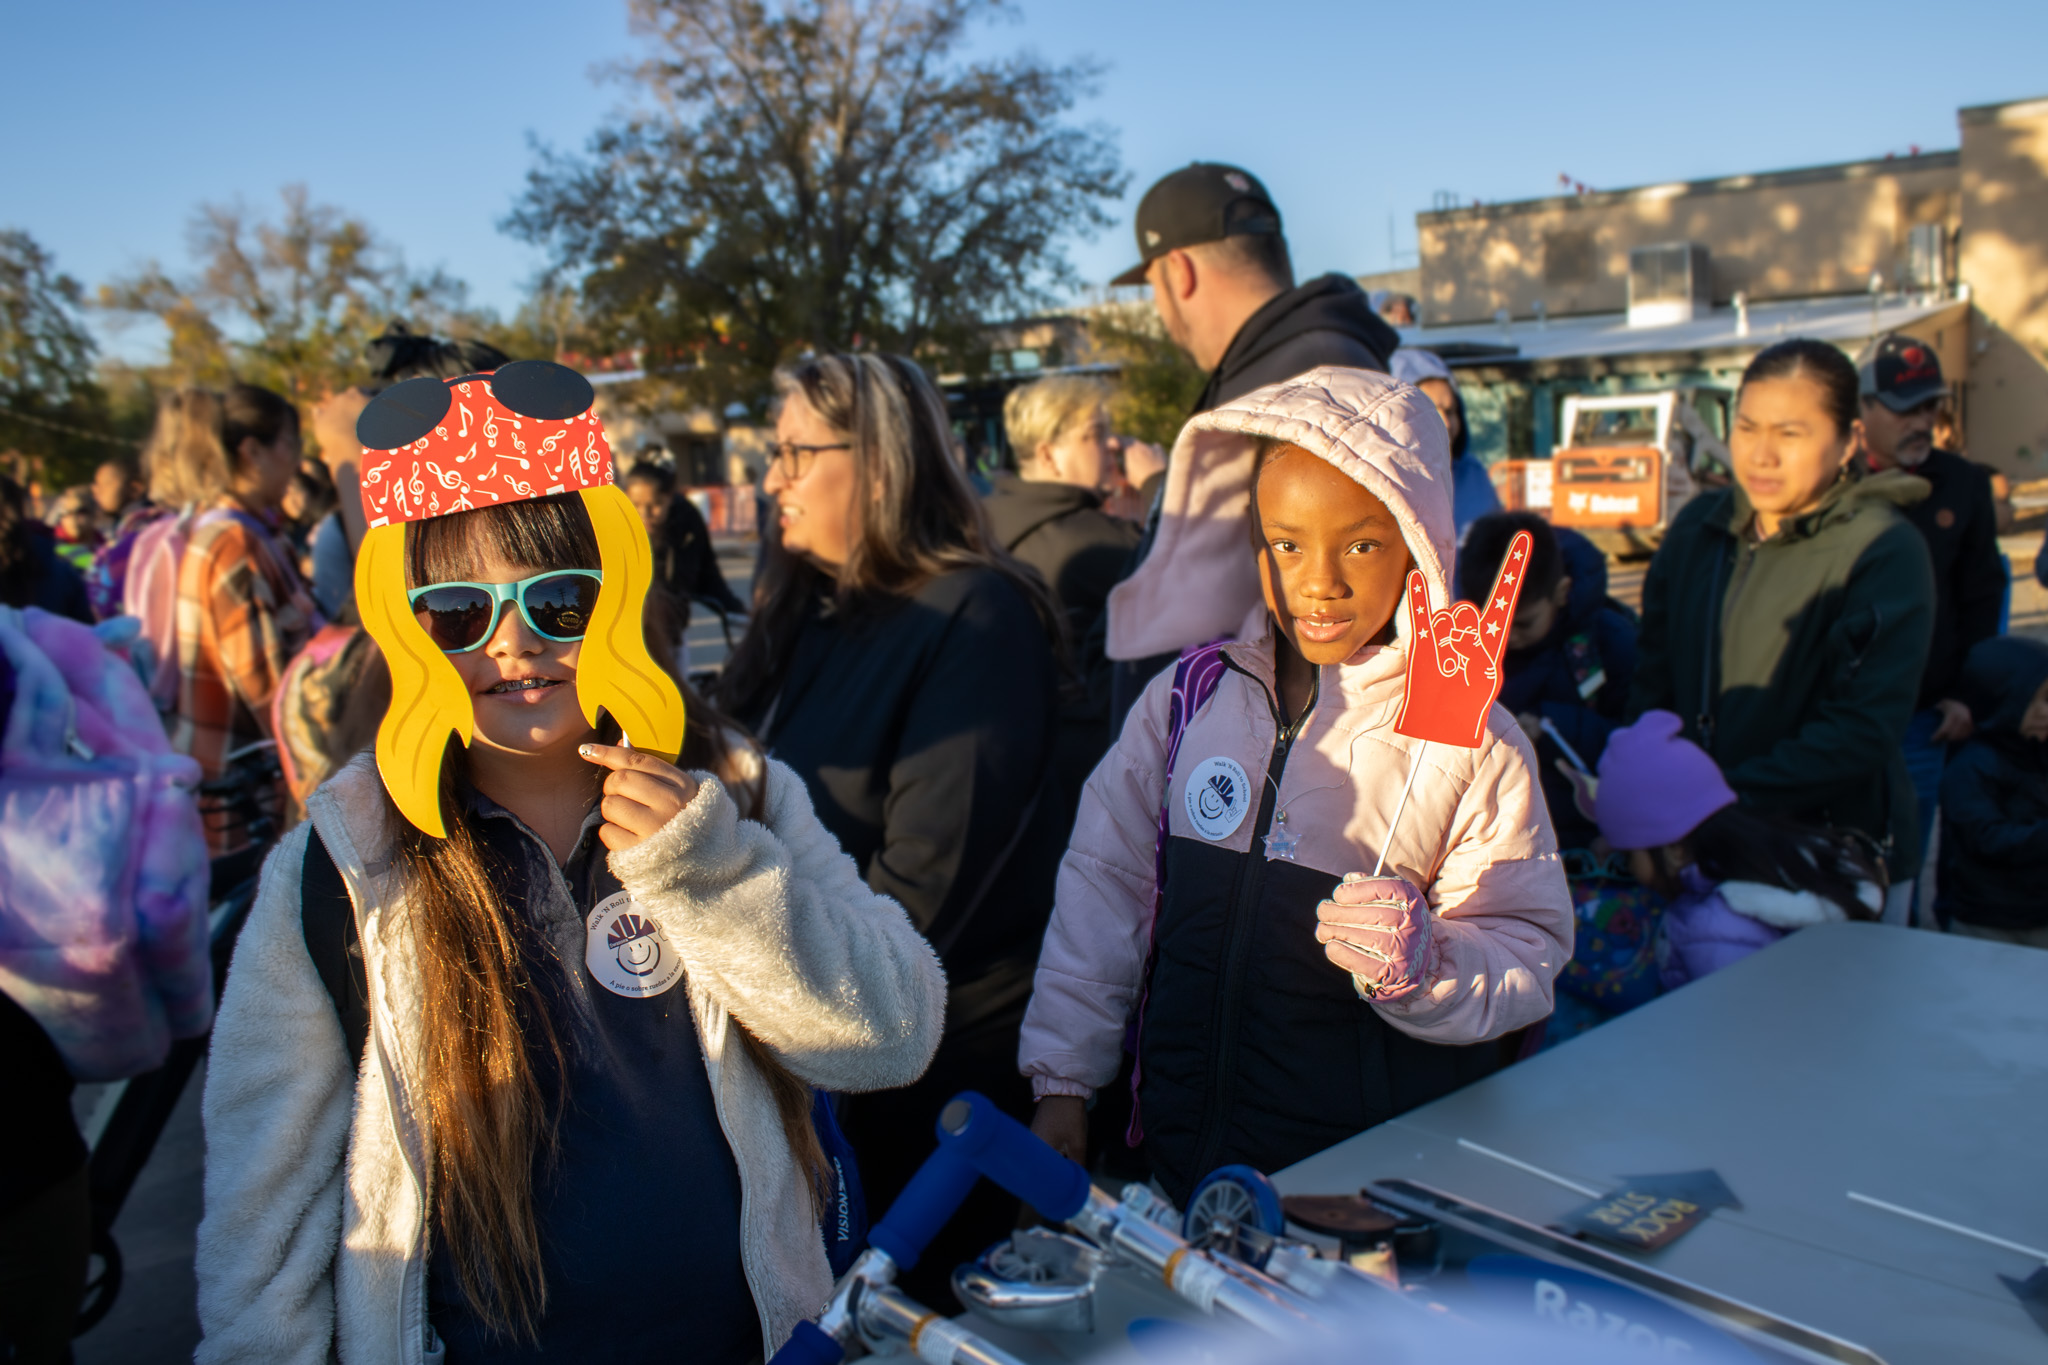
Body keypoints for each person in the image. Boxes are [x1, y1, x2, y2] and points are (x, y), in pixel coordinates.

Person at [195, 380, 946, 1363]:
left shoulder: (734, 792)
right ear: (406, 626)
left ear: (617, 597)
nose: (514, 642)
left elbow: (893, 1034)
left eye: (556, 599)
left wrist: (709, 877)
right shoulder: (340, 864)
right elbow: (263, 1213)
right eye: (459, 611)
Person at [1021, 366, 1571, 1203]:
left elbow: (1527, 949)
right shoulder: (1186, 701)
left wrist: (1428, 962)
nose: (1319, 580)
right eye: (1286, 542)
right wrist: (1064, 1077)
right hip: (1174, 1160)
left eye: (1359, 543)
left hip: (1355, 1188)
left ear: (1419, 541)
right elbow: (1105, 888)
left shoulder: (1473, 744)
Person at [716, 352, 1063, 1298]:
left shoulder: (978, 614)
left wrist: (774, 997)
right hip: (808, 1042)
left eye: (795, 451)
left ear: (879, 461)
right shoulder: (811, 607)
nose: (772, 477)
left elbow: (924, 886)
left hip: (924, 1074)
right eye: (771, 452)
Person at [1629, 339, 1934, 916]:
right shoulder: (1699, 528)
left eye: (1790, 434)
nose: (1761, 455)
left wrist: (1713, 802)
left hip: (1829, 855)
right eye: (1747, 428)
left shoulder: (1882, 549)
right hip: (1695, 842)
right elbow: (1654, 680)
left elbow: (1862, 728)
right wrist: (1643, 801)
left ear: (1848, 441)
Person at [1104, 163, 1401, 730]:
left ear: (1179, 271)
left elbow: (1330, 615)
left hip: (1272, 775)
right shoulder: (1301, 368)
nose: (1162, 314)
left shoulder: (1294, 387)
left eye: (1153, 291)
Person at [147, 385, 321, 850]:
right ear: (252, 451)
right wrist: (325, 779)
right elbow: (270, 692)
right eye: (291, 444)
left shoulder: (235, 533)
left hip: (236, 786)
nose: (297, 463)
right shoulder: (234, 544)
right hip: (245, 802)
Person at [1854, 334, 2004, 868]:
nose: (1920, 421)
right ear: (1862, 408)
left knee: (1907, 860)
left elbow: (1984, 596)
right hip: (1841, 715)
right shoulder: (1830, 483)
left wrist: (1969, 694)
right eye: (1902, 409)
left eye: (1927, 407)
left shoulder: (1962, 484)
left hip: (1925, 716)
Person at [1594, 711, 1881, 990]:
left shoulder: (1713, 935)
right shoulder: (1773, 861)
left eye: (1629, 855)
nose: (1630, 868)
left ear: (1675, 850)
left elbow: (1733, 1032)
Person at [984, 374, 1142, 801]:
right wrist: (1159, 487)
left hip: (1008, 765)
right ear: (1048, 455)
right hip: (1088, 768)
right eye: (1094, 434)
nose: (1112, 445)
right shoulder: (1097, 540)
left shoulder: (980, 524)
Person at [1459, 511, 1636, 851]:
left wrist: (1553, 725)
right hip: (1496, 843)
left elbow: (1641, 741)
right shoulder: (1462, 649)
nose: (1505, 638)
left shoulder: (1610, 642)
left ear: (1562, 592)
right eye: (1491, 621)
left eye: (1522, 624)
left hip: (1589, 842)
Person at [1935, 636, 2048, 947]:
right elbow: (1985, 838)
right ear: (2006, 699)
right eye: (2041, 701)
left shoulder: (2038, 751)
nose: (2046, 713)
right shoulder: (1970, 768)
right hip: (1989, 924)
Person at [620, 459, 746, 634]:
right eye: (636, 504)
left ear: (671, 497)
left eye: (656, 504)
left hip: (673, 636)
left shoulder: (687, 525)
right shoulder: (614, 530)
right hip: (628, 636)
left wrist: (737, 611)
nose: (645, 514)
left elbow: (709, 576)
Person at [1392, 348, 1501, 539]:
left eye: (1451, 411)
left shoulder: (1474, 477)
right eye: (1432, 411)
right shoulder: (1381, 482)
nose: (1447, 423)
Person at [0, 475, 91, 623]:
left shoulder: (62, 562)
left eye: (82, 512)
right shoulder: (58, 564)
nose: (74, 519)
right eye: (67, 513)